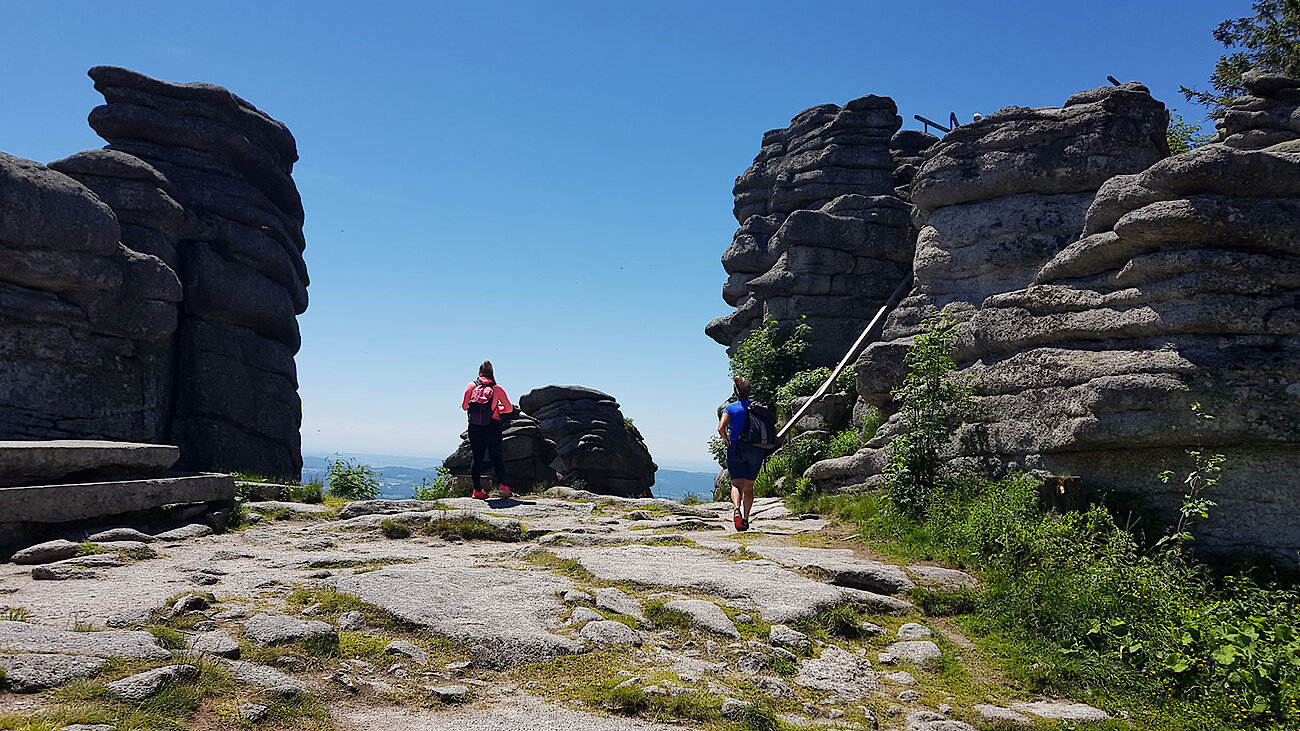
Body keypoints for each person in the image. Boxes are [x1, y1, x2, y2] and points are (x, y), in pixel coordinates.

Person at [461, 360, 514, 499]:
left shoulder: (471, 385)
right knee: (496, 456)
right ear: (492, 374)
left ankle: (478, 491)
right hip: (492, 425)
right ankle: (503, 486)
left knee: (477, 457)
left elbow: (465, 406)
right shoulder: (497, 388)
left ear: (479, 373)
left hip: (474, 426)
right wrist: (496, 409)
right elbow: (509, 408)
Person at [717, 375, 762, 531]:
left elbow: (721, 428)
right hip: (755, 448)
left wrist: (728, 442)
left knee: (736, 484)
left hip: (736, 447)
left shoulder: (730, 408)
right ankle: (745, 519)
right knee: (749, 486)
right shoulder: (757, 407)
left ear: (735, 392)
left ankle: (736, 509)